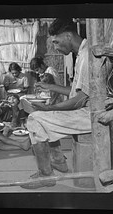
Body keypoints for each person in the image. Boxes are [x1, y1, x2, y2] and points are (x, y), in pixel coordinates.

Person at [21, 18, 91, 189]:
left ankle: (46, 176)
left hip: (90, 115)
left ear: (68, 36)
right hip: (85, 110)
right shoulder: (81, 53)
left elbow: (79, 100)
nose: (56, 47)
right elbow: (76, 92)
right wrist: (50, 86)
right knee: (40, 118)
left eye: (57, 42)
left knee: (35, 119)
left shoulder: (87, 56)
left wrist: (49, 108)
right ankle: (58, 161)